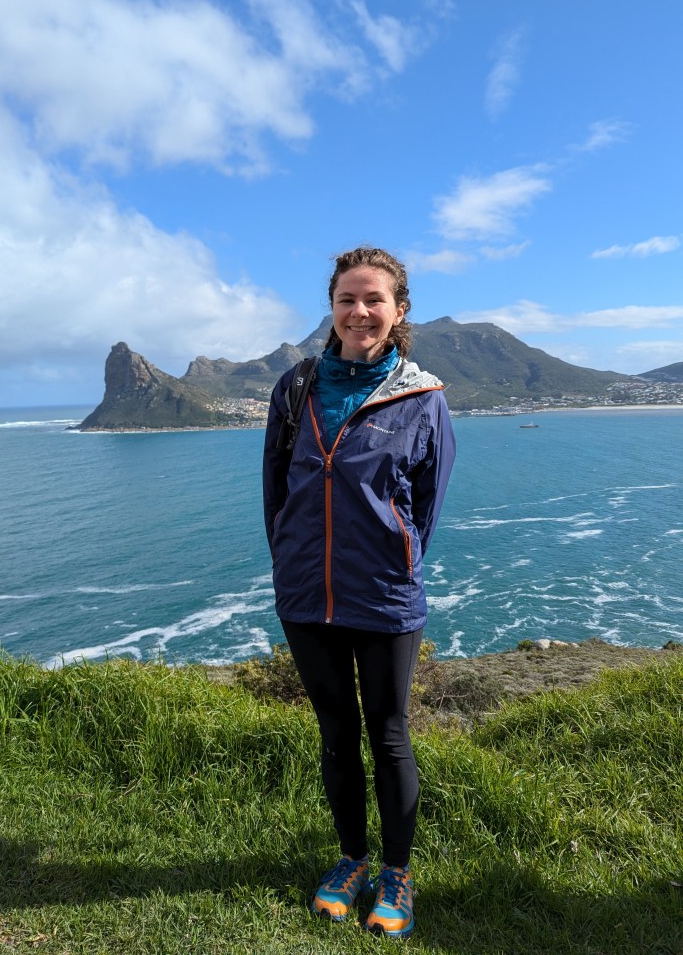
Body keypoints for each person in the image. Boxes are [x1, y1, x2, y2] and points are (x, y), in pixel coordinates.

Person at [262, 246, 456, 940]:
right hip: (305, 594)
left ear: (399, 310)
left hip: (383, 594)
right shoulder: (295, 387)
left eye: (374, 299)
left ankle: (397, 872)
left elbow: (426, 504)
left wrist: (392, 558)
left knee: (389, 733)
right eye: (347, 298)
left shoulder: (423, 397)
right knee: (336, 734)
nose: (360, 311)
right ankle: (351, 860)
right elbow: (275, 488)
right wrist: (292, 561)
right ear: (332, 307)